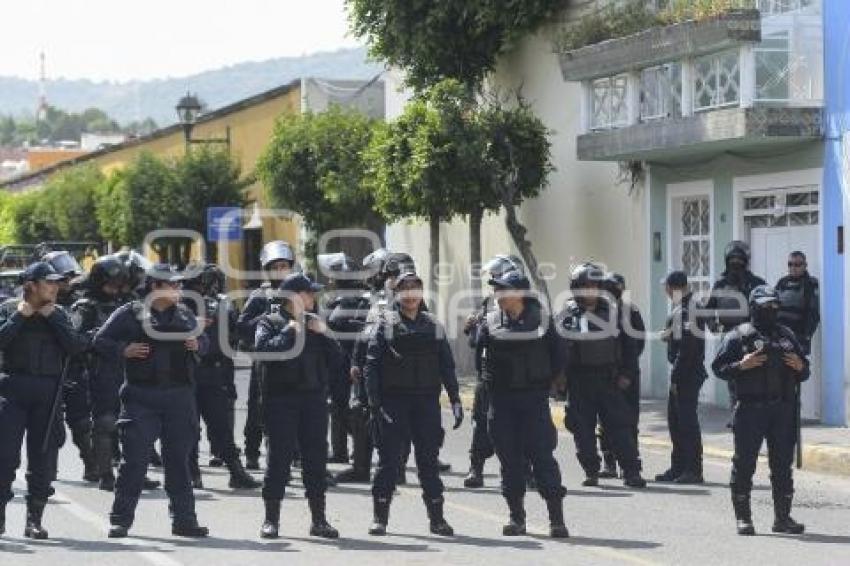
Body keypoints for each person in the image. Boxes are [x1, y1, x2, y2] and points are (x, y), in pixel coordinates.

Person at [98, 264, 209, 538]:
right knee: (134, 461)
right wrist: (124, 350)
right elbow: (99, 341)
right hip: (141, 397)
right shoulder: (130, 313)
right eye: (172, 285)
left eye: (179, 285)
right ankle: (120, 520)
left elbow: (205, 343)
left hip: (178, 397)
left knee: (178, 461)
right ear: (155, 288)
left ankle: (184, 520)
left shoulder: (184, 314)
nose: (178, 290)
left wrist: (199, 345)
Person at [365, 271, 462, 537]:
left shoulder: (433, 324)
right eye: (404, 289)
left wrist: (454, 398)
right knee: (388, 462)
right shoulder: (384, 324)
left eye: (415, 289)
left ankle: (437, 519)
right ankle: (380, 519)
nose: (410, 294)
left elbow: (446, 365)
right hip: (394, 402)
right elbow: (371, 366)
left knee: (428, 462)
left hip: (426, 403)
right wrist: (373, 403)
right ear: (396, 294)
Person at [474, 270, 569, 538]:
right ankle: (517, 518)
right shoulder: (490, 321)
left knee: (542, 459)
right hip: (501, 402)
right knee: (510, 462)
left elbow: (560, 356)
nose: (498, 295)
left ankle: (557, 520)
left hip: (533, 401)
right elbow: (478, 351)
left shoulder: (542, 322)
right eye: (496, 291)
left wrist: (549, 384)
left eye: (503, 290)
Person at [0, 261, 88, 539]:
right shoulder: (7, 309)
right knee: (4, 458)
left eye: (56, 283)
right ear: (31, 286)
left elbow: (76, 347)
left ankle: (34, 520)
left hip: (48, 393)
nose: (54, 287)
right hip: (11, 390)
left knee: (43, 459)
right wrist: (20, 317)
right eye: (48, 283)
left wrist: (54, 319)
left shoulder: (59, 314)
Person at [712, 285, 808, 536]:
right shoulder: (739, 335)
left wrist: (800, 366)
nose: (772, 310)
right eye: (766, 306)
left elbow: (804, 370)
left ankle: (783, 519)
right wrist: (741, 365)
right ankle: (744, 519)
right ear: (755, 307)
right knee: (744, 464)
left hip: (782, 410)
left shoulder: (786, 335)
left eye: (775, 306)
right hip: (750, 410)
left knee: (781, 466)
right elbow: (719, 368)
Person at [255, 273, 341, 539]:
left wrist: (325, 333)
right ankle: (271, 520)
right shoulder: (270, 322)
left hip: (313, 400)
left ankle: (319, 520)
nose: (313, 297)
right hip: (281, 401)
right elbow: (263, 351)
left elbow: (338, 361)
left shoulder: (316, 323)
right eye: (308, 293)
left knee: (315, 461)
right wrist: (287, 331)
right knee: (278, 460)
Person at [76, 255, 160, 492]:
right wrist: (120, 348)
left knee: (136, 425)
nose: (116, 290)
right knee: (105, 423)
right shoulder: (86, 307)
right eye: (111, 284)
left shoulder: (132, 304)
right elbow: (81, 340)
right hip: (103, 372)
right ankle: (106, 475)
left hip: (134, 371)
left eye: (120, 284)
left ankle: (136, 472)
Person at [560, 263, 646, 489]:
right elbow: (557, 350)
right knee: (582, 430)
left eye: (594, 286)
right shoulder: (566, 315)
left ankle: (631, 471)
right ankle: (591, 470)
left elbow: (630, 347)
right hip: (579, 381)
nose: (590, 291)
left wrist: (627, 374)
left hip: (609, 379)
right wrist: (558, 381)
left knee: (620, 428)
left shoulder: (615, 312)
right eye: (585, 286)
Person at [184, 263, 259, 490]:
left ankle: (236, 471)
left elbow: (236, 332)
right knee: (189, 426)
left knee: (220, 425)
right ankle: (191, 472)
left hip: (215, 370)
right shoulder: (179, 304)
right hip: (188, 370)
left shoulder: (221, 303)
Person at [462, 254, 533, 489]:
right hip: (490, 375)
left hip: (521, 377)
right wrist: (472, 328)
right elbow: (476, 341)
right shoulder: (487, 305)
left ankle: (525, 470)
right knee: (481, 423)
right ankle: (476, 468)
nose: (493, 283)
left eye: (496, 277)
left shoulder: (529, 306)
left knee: (523, 426)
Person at [237, 240, 297, 470]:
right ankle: (252, 452)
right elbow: (241, 326)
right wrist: (266, 318)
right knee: (257, 408)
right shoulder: (260, 295)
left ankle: (293, 454)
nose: (281, 270)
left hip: (293, 361)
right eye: (276, 266)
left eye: (285, 265)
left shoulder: (298, 293)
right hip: (265, 361)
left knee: (292, 409)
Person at [334, 248, 390, 484]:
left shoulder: (405, 295)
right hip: (369, 361)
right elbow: (361, 330)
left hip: (393, 363)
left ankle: (392, 467)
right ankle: (361, 467)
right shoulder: (370, 297)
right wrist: (356, 361)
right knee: (360, 411)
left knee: (391, 414)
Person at [43, 251, 97, 482]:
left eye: (66, 279)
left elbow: (82, 334)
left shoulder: (82, 299)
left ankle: (92, 464)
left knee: (82, 420)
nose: (65, 283)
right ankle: (47, 469)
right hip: (48, 368)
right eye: (59, 279)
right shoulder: (37, 299)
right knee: (47, 423)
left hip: (75, 367)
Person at [656, 271, 707, 484]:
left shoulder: (689, 310)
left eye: (667, 288)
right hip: (682, 372)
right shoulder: (682, 308)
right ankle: (678, 467)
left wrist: (676, 378)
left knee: (686, 423)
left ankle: (693, 470)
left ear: (673, 287)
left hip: (686, 374)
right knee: (675, 422)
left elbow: (687, 348)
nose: (666, 292)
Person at [596, 272, 646, 479]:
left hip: (628, 375)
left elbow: (638, 343)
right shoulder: (599, 312)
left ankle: (630, 463)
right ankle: (609, 463)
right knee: (604, 421)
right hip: (605, 374)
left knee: (629, 420)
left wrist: (626, 368)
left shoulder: (630, 312)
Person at [775, 251, 820, 356]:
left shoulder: (811, 284)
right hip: (779, 335)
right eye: (790, 264)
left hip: (798, 336)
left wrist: (806, 336)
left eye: (797, 264)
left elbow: (813, 313)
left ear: (805, 265)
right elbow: (773, 304)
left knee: (797, 369)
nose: (793, 268)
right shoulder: (782, 282)